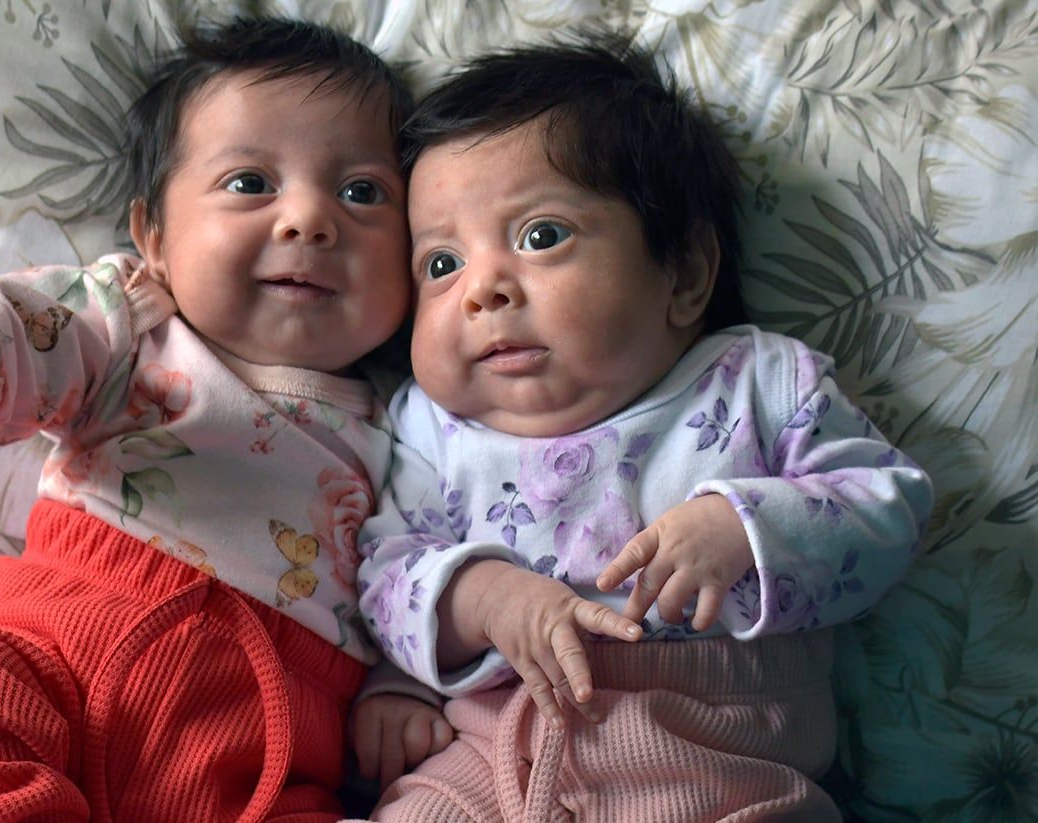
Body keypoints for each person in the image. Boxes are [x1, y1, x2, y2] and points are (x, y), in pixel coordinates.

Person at [0, 17, 449, 823]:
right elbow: (34, 355)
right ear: (153, 237)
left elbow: (418, 567)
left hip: (258, 748)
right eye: (249, 183)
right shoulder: (131, 319)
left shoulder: (417, 423)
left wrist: (398, 686)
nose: (309, 219)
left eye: (362, 192)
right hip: (58, 658)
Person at [356, 31, 934, 822]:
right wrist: (479, 602)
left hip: (722, 765)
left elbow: (889, 506)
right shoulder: (429, 424)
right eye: (441, 263)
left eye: (541, 236)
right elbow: (388, 571)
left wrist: (743, 526)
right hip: (498, 754)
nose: (482, 289)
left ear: (685, 274)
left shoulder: (759, 380)